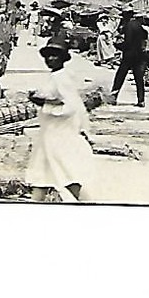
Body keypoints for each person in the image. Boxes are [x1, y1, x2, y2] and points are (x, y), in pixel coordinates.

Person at [24, 39, 97, 202]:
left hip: (59, 132)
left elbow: (70, 106)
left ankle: (72, 199)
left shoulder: (61, 78)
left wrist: (43, 103)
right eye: (48, 56)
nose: (50, 59)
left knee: (63, 167)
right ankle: (39, 199)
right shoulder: (57, 76)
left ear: (63, 58)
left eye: (54, 56)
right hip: (51, 131)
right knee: (46, 168)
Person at [111, 9, 149, 105]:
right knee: (139, 78)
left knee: (120, 76)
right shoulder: (139, 26)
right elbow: (145, 36)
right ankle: (141, 100)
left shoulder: (129, 26)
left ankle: (113, 97)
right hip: (139, 54)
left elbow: (127, 42)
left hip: (129, 54)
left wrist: (118, 46)